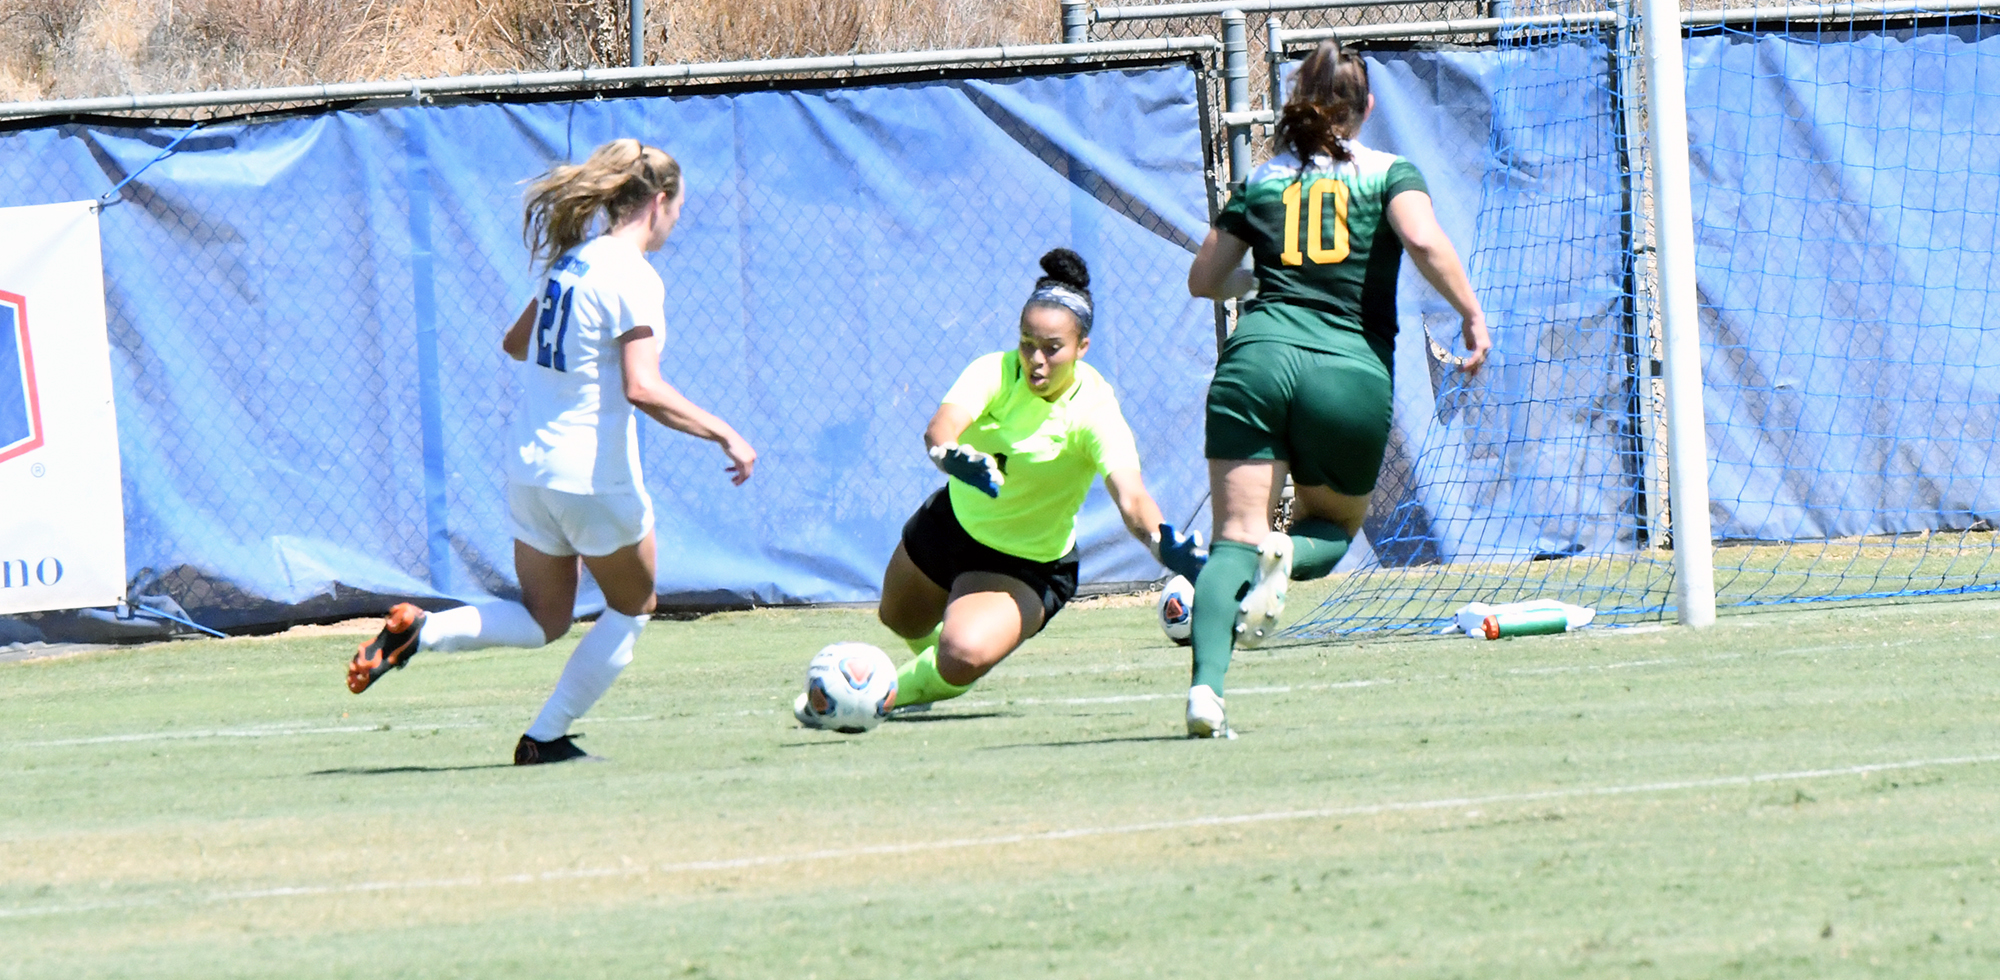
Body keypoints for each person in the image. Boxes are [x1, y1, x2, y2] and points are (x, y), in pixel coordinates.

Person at [345, 138, 757, 765]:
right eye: (678, 208)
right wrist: (723, 431)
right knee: (633, 605)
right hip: (590, 473)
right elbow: (642, 386)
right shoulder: (634, 276)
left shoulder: (571, 263)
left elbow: (514, 343)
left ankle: (423, 630)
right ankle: (544, 736)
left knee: (545, 618)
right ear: (661, 202)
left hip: (530, 470)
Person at [1180, 40, 1491, 737]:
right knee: (1330, 528)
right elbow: (1424, 240)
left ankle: (1205, 690)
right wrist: (1470, 312)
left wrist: (1260, 279)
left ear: (1296, 101)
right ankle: (1283, 554)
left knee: (1232, 538)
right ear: (1367, 107)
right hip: (1347, 371)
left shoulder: (1261, 179)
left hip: (1256, 362)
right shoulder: (1387, 172)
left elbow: (1206, 280)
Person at [796, 249, 1205, 727]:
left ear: (1082, 348)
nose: (1036, 359)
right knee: (900, 617)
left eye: (1053, 348)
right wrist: (951, 456)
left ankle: (885, 696)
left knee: (963, 652)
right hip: (953, 523)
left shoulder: (1094, 410)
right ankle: (938, 665)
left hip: (1028, 562)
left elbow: (1132, 498)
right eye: (1027, 343)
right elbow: (939, 429)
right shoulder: (994, 370)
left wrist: (1161, 541)